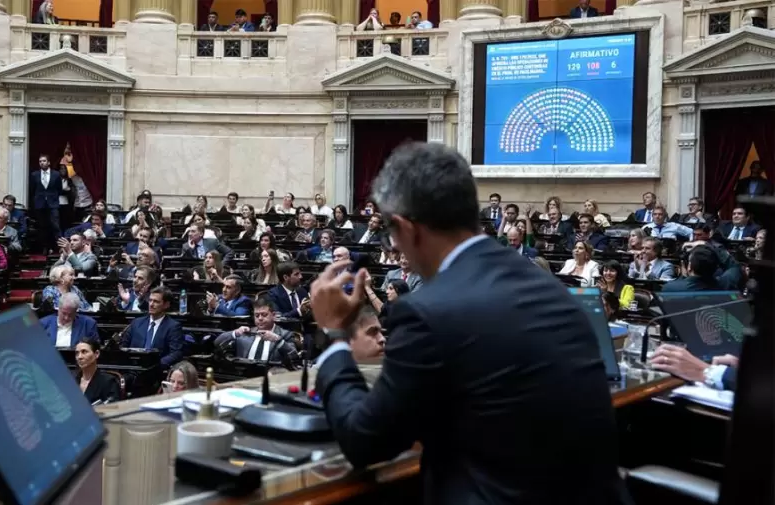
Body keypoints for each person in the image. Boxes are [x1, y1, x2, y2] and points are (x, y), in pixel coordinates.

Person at [310, 142, 629, 504]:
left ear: (406, 228)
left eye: (392, 235)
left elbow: (364, 442)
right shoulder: (553, 290)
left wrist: (335, 334)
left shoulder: (426, 312)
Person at [213, 298, 297, 365]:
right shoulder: (246, 333)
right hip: (246, 377)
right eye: (257, 315)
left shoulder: (285, 334)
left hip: (271, 378)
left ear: (274, 315)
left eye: (264, 315)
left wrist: (277, 340)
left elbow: (294, 356)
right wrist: (235, 333)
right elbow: (217, 342)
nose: (260, 318)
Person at [30, 153, 63, 254]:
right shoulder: (34, 174)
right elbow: (32, 189)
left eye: (44, 161)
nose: (42, 163)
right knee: (42, 226)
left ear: (48, 162)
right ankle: (45, 247)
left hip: (52, 203)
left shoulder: (56, 174)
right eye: (40, 161)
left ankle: (59, 247)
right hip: (40, 204)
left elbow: (59, 189)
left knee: (55, 225)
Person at [74, 338, 121, 405]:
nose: (79, 357)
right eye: (77, 353)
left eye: (84, 352)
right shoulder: (70, 380)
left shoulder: (108, 381)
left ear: (96, 354)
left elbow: (113, 408)